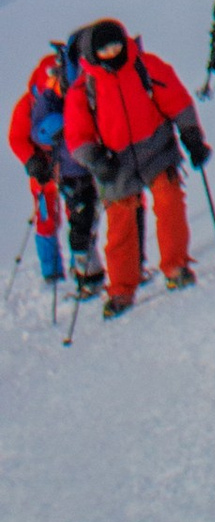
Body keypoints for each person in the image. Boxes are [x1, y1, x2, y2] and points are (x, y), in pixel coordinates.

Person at [60, 18, 206, 316]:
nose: (113, 52)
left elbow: (176, 100)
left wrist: (192, 135)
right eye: (105, 49)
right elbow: (77, 137)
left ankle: (176, 267)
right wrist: (97, 163)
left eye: (116, 44)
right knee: (121, 226)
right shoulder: (83, 88)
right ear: (91, 53)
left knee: (170, 204)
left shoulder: (145, 66)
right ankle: (121, 290)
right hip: (115, 163)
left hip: (157, 149)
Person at [10, 44, 102, 301]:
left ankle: (79, 265)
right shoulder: (26, 106)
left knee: (77, 213)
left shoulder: (66, 98)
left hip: (67, 164)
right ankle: (51, 271)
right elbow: (16, 138)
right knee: (46, 218)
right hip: (43, 172)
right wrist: (32, 162)